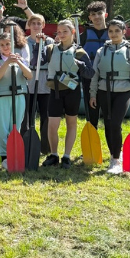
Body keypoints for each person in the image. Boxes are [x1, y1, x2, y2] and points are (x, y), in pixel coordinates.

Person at [91, 20, 130, 174]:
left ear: (124, 32)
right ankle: (114, 156)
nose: (113, 34)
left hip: (123, 91)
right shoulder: (102, 51)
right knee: (108, 124)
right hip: (104, 90)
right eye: (111, 31)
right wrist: (93, 94)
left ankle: (116, 159)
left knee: (115, 123)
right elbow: (95, 74)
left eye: (117, 31)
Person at [0, 26, 34, 166]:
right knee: (2, 128)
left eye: (8, 44)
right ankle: (4, 157)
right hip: (2, 97)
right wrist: (7, 62)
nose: (5, 47)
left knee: (16, 126)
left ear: (13, 44)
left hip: (19, 96)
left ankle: (14, 153)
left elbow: (29, 76)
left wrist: (18, 62)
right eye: (2, 45)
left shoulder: (20, 59)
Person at [44, 19, 86, 165]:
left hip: (71, 91)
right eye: (59, 32)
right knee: (52, 124)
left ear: (73, 32)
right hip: (55, 90)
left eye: (65, 31)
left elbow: (90, 73)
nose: (61, 34)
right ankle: (54, 154)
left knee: (71, 123)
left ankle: (67, 156)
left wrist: (81, 65)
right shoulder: (50, 49)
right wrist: (39, 43)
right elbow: (38, 60)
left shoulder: (79, 52)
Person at [25, 12, 57, 165]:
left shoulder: (50, 41)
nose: (36, 26)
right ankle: (29, 143)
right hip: (29, 82)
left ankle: (46, 146)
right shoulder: (24, 42)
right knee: (28, 116)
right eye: (33, 23)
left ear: (43, 25)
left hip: (45, 83)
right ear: (29, 25)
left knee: (46, 116)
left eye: (39, 23)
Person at [79, 1, 111, 126]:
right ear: (90, 17)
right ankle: (92, 135)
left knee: (110, 116)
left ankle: (113, 137)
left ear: (105, 15)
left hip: (109, 78)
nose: (96, 17)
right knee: (92, 114)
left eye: (99, 13)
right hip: (89, 76)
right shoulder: (84, 35)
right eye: (93, 14)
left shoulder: (113, 33)